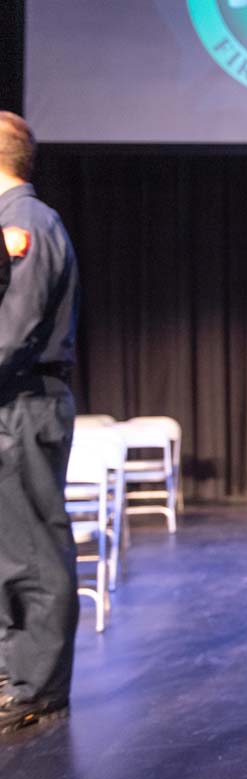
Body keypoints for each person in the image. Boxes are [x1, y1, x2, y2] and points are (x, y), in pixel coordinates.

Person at [0, 111, 81, 734]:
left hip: (26, 403)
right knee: (10, 547)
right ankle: (16, 672)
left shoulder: (24, 221)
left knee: (33, 547)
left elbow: (15, 331)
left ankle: (39, 687)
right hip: (13, 403)